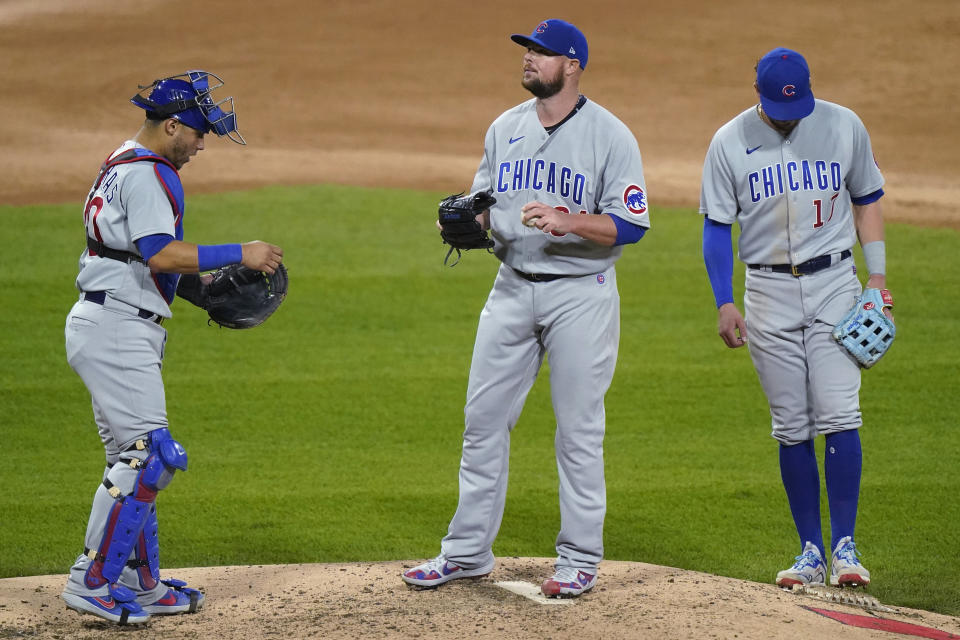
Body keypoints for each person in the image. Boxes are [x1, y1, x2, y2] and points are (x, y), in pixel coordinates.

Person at [402, 19, 650, 598]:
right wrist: (464, 218)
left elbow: (632, 225)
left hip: (579, 294)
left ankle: (580, 558)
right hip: (510, 288)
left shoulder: (611, 136)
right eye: (527, 51)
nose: (529, 59)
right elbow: (483, 201)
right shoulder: (503, 127)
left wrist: (571, 221)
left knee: (578, 431)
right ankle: (465, 553)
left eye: (542, 52)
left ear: (572, 64)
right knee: (482, 423)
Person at [61, 70, 283, 625]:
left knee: (129, 458)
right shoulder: (153, 173)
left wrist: (202, 290)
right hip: (117, 328)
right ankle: (91, 582)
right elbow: (159, 253)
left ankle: (141, 581)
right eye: (198, 133)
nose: (202, 145)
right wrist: (243, 252)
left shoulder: (122, 160)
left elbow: (132, 253)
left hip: (110, 318)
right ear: (172, 125)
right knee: (148, 457)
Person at [699, 48, 892, 589]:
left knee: (839, 411)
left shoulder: (843, 125)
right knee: (791, 424)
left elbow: (868, 197)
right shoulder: (728, 141)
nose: (788, 116)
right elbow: (717, 226)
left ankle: (846, 548)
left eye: (797, 105)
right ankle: (810, 550)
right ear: (755, 90)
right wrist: (724, 299)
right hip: (765, 289)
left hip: (835, 283)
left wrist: (876, 279)